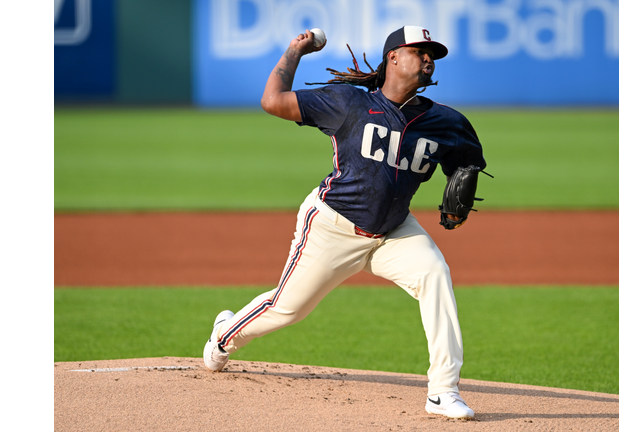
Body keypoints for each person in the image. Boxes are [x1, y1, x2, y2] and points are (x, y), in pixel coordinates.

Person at [203, 25, 486, 420]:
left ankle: (443, 391)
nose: (428, 59)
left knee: (435, 273)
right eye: (419, 51)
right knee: (288, 309)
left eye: (432, 54)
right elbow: (272, 100)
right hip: (332, 226)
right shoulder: (348, 103)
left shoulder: (447, 123)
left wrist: (461, 193)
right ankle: (224, 335)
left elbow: (467, 164)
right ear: (393, 57)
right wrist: (295, 52)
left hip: (393, 231)